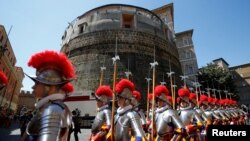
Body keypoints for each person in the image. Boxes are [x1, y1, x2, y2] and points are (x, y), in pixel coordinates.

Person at [22, 50, 76, 141]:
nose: (33, 87)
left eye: (37, 83)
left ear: (49, 87)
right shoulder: (56, 106)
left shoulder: (52, 110)